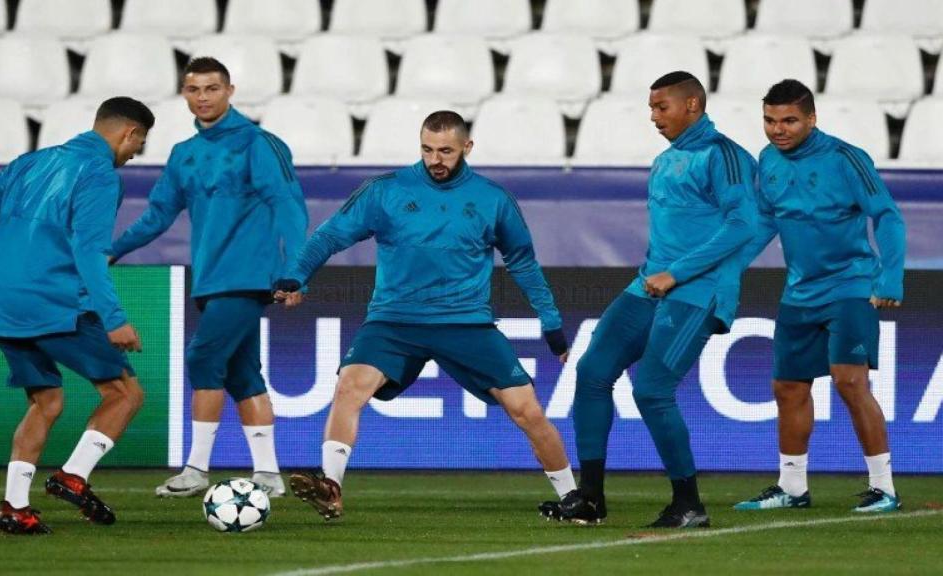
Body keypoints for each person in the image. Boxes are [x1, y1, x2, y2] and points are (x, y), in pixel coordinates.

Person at [275, 110, 575, 521]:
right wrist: (297, 276)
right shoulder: (386, 191)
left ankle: (575, 497)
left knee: (527, 410)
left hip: (465, 322)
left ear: (467, 148)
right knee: (349, 385)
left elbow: (523, 261)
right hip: (394, 320)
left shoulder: (492, 199)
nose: (436, 159)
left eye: (446, 151)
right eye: (428, 149)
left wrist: (552, 324)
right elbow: (330, 235)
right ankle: (331, 486)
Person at [540, 71, 759, 528]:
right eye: (651, 107)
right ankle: (591, 497)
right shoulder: (664, 161)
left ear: (693, 105)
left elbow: (742, 225)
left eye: (662, 107)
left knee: (652, 390)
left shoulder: (725, 156)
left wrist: (676, 273)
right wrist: (657, 273)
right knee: (592, 372)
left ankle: (689, 503)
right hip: (649, 285)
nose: (654, 116)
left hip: (698, 290)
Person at [0, 97, 155, 534]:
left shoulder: (28, 162)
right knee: (124, 394)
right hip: (54, 303)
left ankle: (15, 507)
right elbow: (89, 251)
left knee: (46, 401)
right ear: (129, 133)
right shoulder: (99, 175)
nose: (137, 154)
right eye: (139, 143)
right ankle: (73, 477)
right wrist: (113, 318)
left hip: (1, 303)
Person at [108, 57, 308, 498]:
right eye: (194, 90)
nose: (203, 98)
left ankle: (197, 469)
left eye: (212, 89)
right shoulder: (184, 154)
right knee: (243, 375)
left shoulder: (259, 143)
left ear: (230, 91)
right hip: (210, 279)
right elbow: (159, 215)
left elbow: (288, 206)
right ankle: (269, 476)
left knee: (202, 359)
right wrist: (113, 250)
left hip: (247, 276)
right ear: (184, 94)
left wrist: (295, 271)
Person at [733, 79, 905, 513]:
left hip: (850, 286)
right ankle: (792, 487)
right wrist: (726, 270)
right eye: (770, 120)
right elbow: (763, 223)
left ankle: (884, 488)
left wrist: (890, 277)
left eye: (789, 120)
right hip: (799, 291)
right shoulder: (767, 161)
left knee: (850, 381)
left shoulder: (847, 159)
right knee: (787, 386)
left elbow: (887, 216)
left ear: (812, 118)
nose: (778, 130)